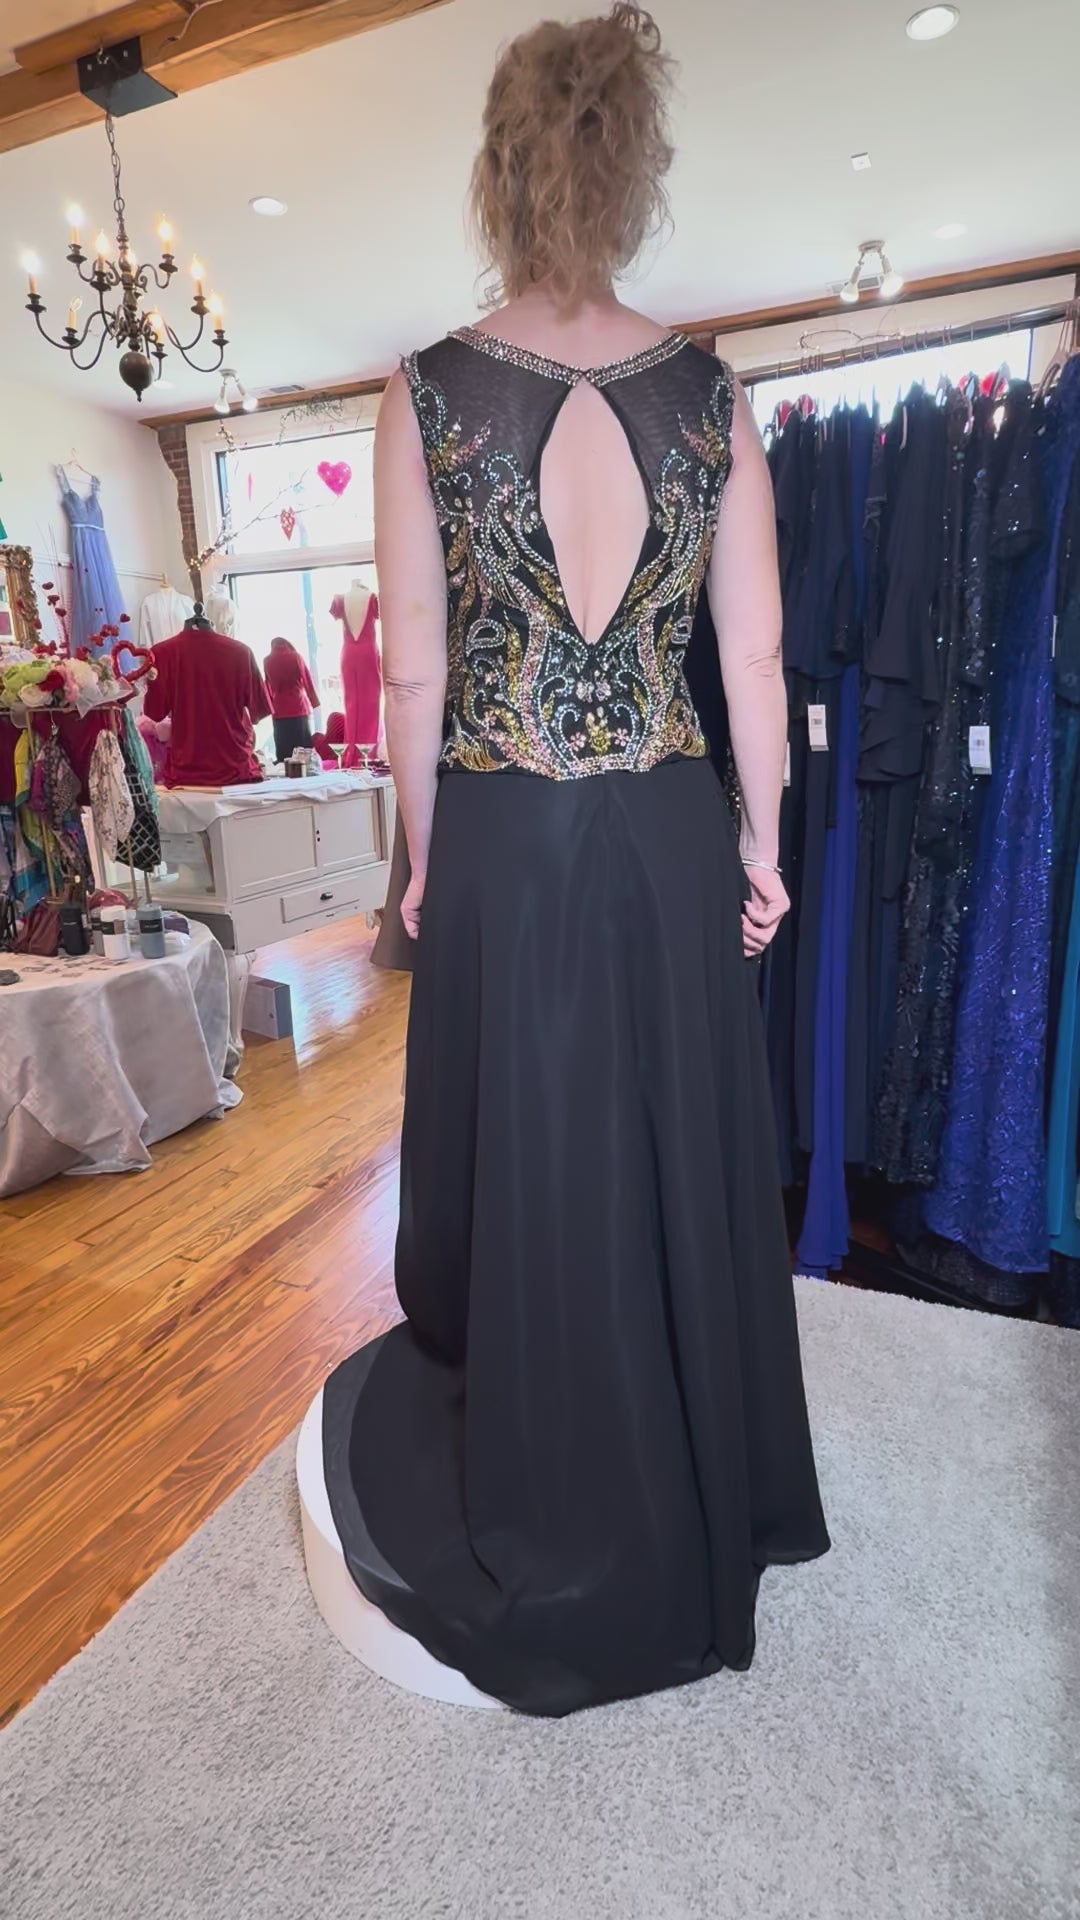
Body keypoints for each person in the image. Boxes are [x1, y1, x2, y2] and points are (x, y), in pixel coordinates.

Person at [322, 2, 829, 1717]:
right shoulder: (712, 396)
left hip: (512, 828)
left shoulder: (424, 392)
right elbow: (753, 659)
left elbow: (414, 669)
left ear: (502, 172)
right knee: (673, 1142)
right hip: (669, 821)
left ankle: (553, 1483)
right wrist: (763, 840)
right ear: (633, 172)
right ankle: (703, 1466)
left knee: (539, 1149)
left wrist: (420, 857)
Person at [262, 636, 319, 763]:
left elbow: (267, 686)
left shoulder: (267, 661)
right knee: (304, 751)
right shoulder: (296, 657)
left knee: (284, 753)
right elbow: (307, 679)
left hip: (279, 711)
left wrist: (268, 706)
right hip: (298, 708)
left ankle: (285, 772)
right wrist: (314, 701)